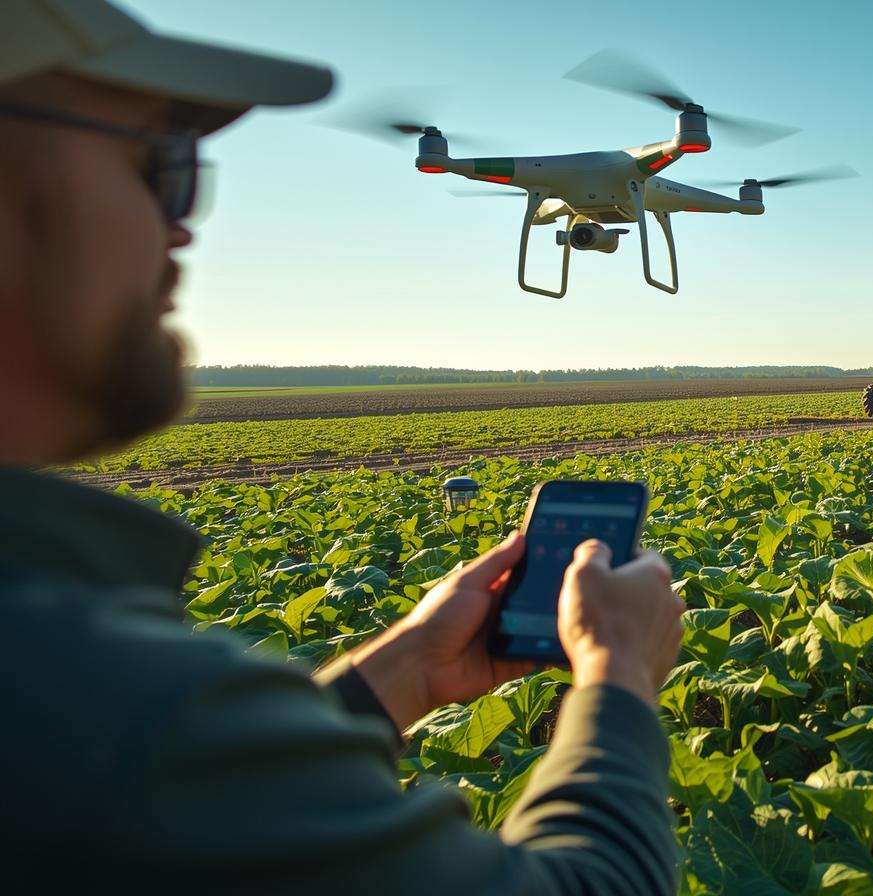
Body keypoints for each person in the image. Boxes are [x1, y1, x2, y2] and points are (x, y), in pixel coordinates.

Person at [0, 1, 687, 890]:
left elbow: (207, 818)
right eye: (162, 167)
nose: (182, 228)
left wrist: (402, 672)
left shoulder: (92, 719)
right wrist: (620, 679)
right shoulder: (99, 705)